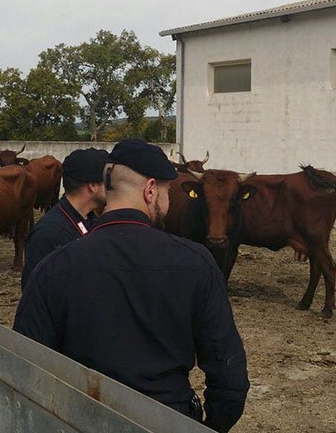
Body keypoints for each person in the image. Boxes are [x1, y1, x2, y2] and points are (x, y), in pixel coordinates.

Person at [14, 138, 249, 432]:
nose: (168, 200)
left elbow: (25, 364)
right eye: (166, 191)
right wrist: (207, 426)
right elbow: (230, 379)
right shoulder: (197, 263)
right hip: (169, 418)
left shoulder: (54, 266)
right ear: (150, 191)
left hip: (81, 418)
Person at [20, 148, 109, 289]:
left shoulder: (90, 220)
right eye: (109, 179)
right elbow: (34, 292)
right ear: (92, 186)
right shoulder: (49, 234)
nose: (114, 186)